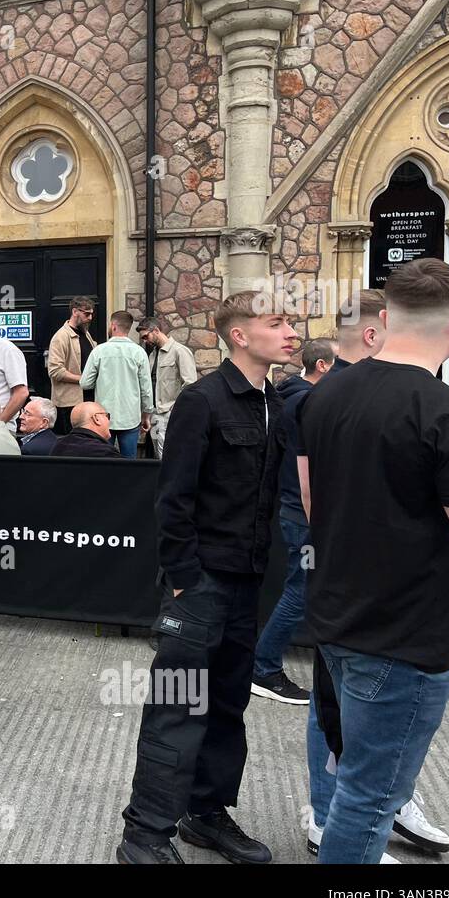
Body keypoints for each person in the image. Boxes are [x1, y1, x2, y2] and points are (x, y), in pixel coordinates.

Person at [299, 259, 449, 864]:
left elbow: (314, 503)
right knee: (368, 799)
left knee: (355, 781)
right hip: (400, 637)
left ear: (386, 318)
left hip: (337, 617)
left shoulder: (326, 393)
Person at [117, 290, 299, 865]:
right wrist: (183, 581)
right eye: (278, 322)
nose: (291, 331)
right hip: (199, 587)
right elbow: (172, 500)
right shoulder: (203, 401)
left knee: (227, 705)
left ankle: (206, 813)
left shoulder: (275, 401)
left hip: (246, 585)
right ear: (240, 335)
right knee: (178, 706)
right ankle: (144, 835)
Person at [244, 337, 335, 705]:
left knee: (306, 587)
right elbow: (306, 467)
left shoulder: (291, 395)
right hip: (303, 512)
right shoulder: (304, 401)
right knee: (301, 589)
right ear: (323, 366)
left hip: (299, 509)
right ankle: (263, 668)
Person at [80, 310, 152, 458]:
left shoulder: (98, 351)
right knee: (129, 462)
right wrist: (147, 414)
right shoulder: (139, 353)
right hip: (130, 417)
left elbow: (85, 383)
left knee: (103, 461)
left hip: (103, 418)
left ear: (113, 326)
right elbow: (146, 390)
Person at [138, 316, 198, 458]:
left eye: (146, 336)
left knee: (170, 456)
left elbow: (190, 385)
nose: (144, 340)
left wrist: (175, 409)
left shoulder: (180, 351)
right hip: (154, 413)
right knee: (160, 455)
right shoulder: (152, 355)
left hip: (170, 412)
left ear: (156, 330)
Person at [47, 296, 100, 434]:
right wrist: (83, 379)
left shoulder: (86, 334)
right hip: (68, 403)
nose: (90, 318)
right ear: (75, 311)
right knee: (70, 443)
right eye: (86, 313)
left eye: (92, 314)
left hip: (88, 400)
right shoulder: (61, 337)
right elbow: (55, 371)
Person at [53, 402, 123, 458]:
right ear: (96, 419)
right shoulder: (105, 453)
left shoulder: (57, 446)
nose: (109, 421)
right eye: (107, 416)